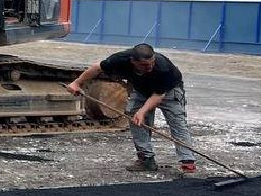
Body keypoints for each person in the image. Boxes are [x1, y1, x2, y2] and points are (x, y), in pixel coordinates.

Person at [65, 43, 197, 174]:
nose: (150, 67)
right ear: (133, 61)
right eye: (145, 65)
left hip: (169, 91)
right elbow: (96, 68)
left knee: (177, 122)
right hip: (141, 89)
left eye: (152, 63)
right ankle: (146, 159)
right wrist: (77, 82)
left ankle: (187, 161)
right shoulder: (120, 59)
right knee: (135, 118)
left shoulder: (163, 67)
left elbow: (157, 96)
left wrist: (142, 111)